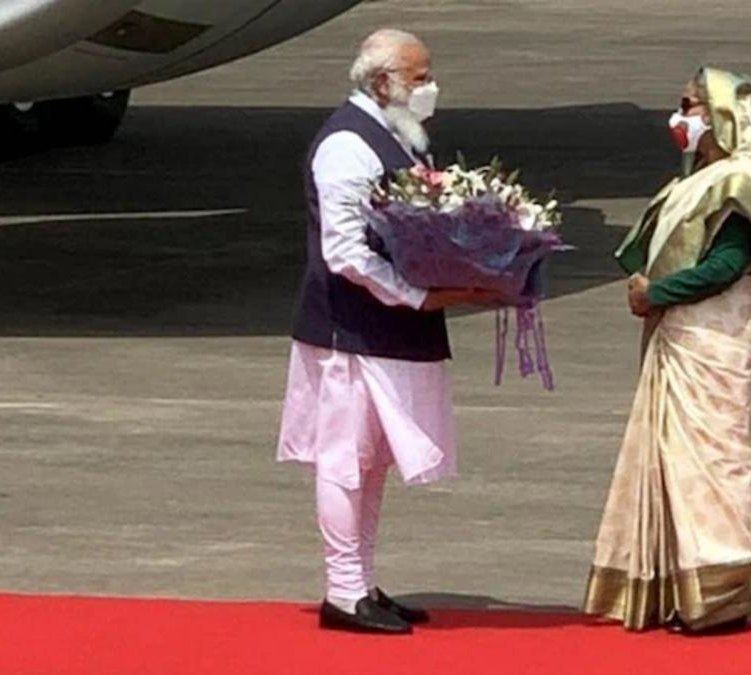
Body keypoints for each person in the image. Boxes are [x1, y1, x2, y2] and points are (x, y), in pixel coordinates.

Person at [583, 67, 751, 633]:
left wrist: (656, 292)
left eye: (690, 107)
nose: (680, 118)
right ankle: (682, 587)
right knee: (676, 456)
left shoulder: (742, 183)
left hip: (718, 331)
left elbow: (726, 265)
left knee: (711, 456)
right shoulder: (698, 179)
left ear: (721, 117)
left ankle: (721, 590)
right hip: (686, 329)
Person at [276, 28, 495, 635]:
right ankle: (342, 592)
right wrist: (420, 295)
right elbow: (345, 251)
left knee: (371, 464)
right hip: (352, 327)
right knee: (345, 461)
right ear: (382, 83)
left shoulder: (402, 137)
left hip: (389, 325)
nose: (430, 89)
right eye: (419, 79)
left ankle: (361, 582)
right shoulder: (348, 146)